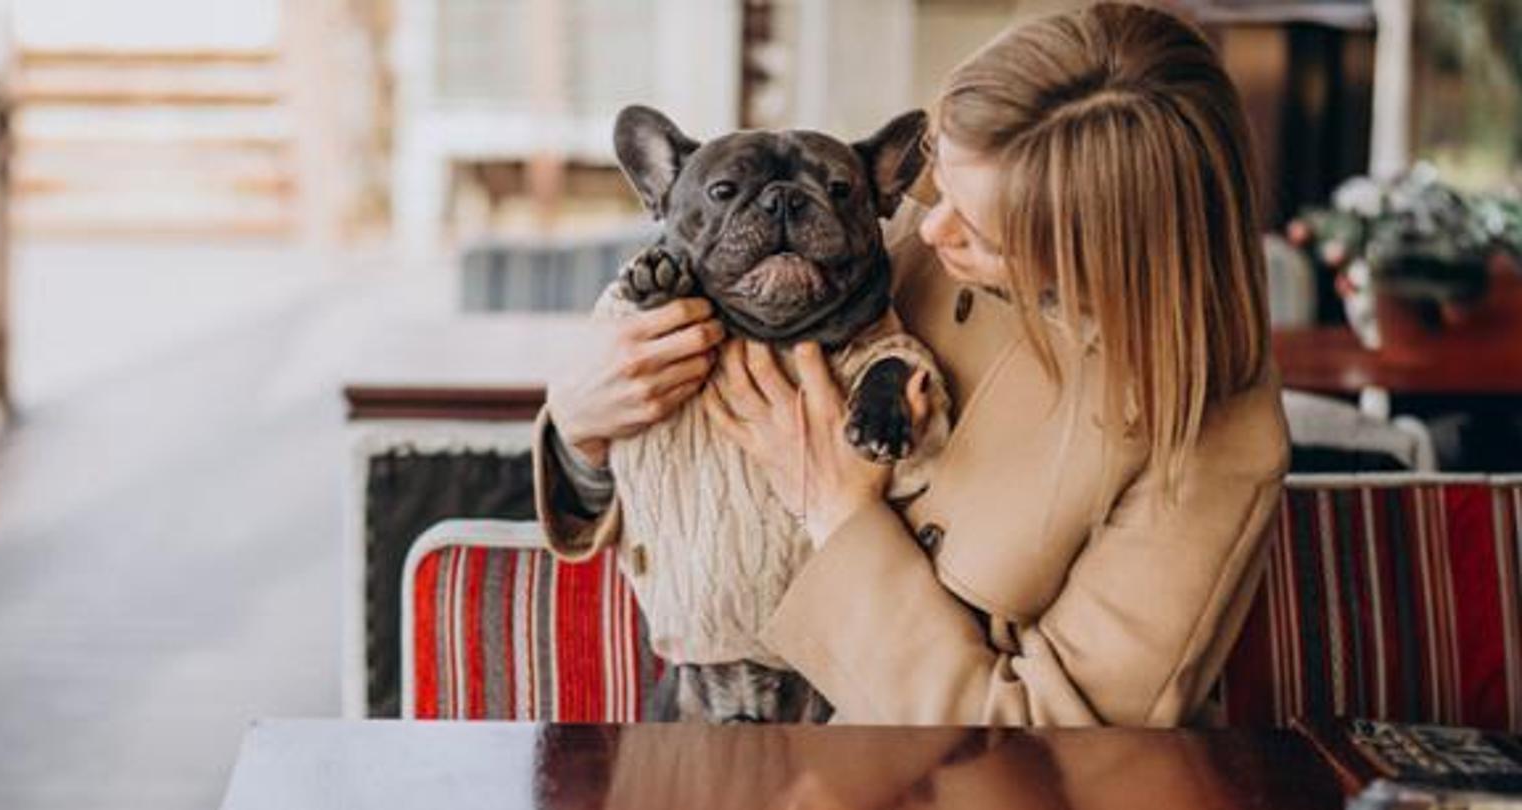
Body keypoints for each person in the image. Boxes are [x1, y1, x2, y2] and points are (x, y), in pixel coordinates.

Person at [535, 1, 1288, 726]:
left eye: (985, 232)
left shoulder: (1208, 436)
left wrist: (838, 509)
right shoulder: (872, 250)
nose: (929, 230)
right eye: (938, 186)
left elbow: (1056, 744)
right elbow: (681, 469)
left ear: (1108, 254)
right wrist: (580, 429)